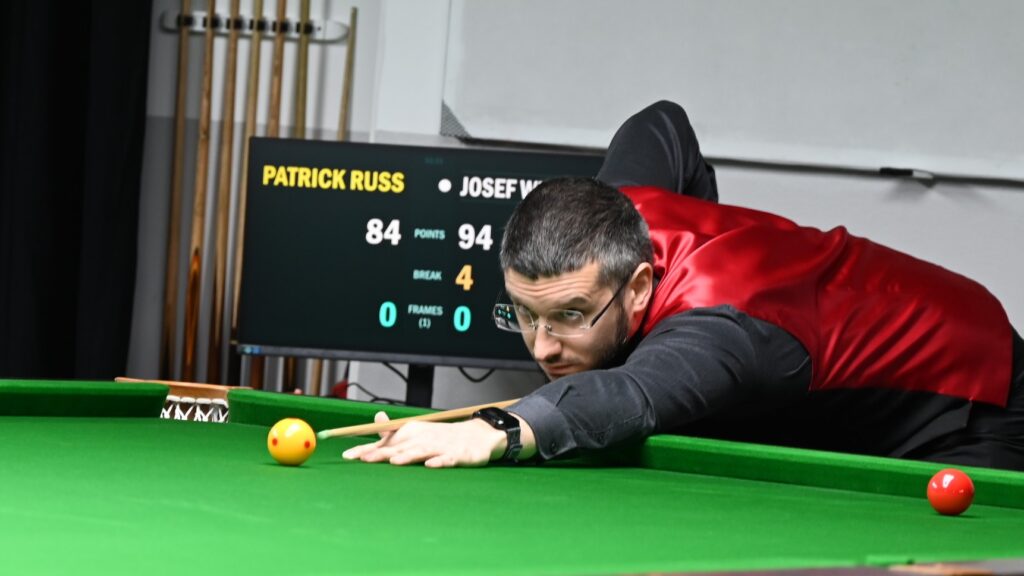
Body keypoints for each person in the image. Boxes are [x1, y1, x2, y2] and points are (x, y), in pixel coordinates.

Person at [342, 101, 1024, 471]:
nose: (543, 347)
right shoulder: (618, 211)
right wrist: (710, 221)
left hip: (973, 391)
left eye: (571, 316)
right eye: (524, 313)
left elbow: (633, 394)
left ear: (640, 286)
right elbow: (661, 120)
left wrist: (495, 430)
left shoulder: (720, 335)